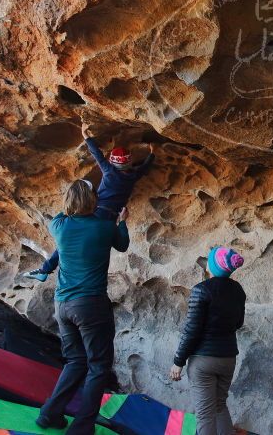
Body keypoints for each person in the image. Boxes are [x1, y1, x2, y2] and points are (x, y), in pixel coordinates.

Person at [35, 179, 129, 434]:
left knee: (75, 360)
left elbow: (61, 212)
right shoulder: (105, 226)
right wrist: (123, 221)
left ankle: (49, 414)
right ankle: (82, 428)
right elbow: (122, 244)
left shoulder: (59, 226)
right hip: (91, 305)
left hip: (62, 305)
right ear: (93, 200)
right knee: (98, 365)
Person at [24, 122, 154, 282]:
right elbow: (144, 168)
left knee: (68, 243)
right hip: (111, 217)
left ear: (113, 162)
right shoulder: (133, 176)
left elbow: (97, 154)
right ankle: (47, 269)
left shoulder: (109, 170)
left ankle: (45, 270)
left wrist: (86, 136)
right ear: (129, 162)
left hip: (96, 210)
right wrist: (151, 154)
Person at [169, 246, 246, 435]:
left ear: (211, 268)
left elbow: (192, 330)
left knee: (204, 414)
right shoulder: (238, 291)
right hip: (228, 358)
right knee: (220, 406)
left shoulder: (201, 290)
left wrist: (178, 361)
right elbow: (238, 323)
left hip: (203, 361)